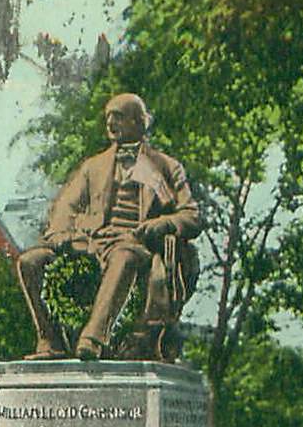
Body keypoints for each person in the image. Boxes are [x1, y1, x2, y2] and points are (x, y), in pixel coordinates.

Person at [15, 92, 202, 362]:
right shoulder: (94, 166)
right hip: (90, 242)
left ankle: (92, 339)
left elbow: (191, 216)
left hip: (135, 245)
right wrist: (61, 234)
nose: (111, 123)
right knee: (29, 261)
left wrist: (161, 224)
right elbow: (65, 207)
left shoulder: (166, 166)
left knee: (124, 256)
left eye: (119, 117)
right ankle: (50, 339)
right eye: (108, 118)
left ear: (140, 123)